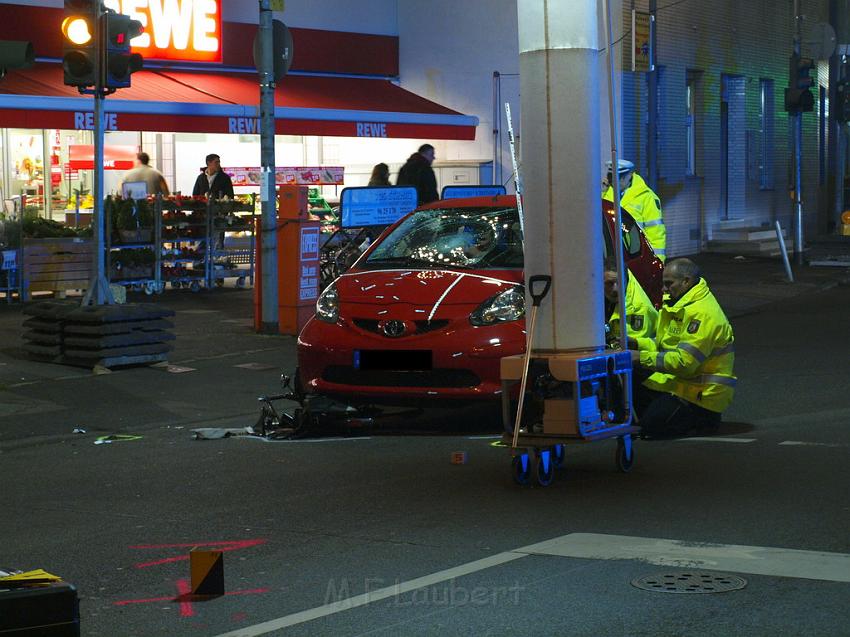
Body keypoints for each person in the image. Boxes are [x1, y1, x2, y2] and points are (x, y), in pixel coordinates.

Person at [628, 258, 736, 438]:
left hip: (702, 395)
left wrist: (640, 357)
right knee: (631, 379)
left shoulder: (703, 315)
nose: (664, 289)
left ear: (686, 281)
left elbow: (684, 363)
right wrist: (637, 344)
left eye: (668, 284)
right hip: (682, 383)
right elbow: (666, 345)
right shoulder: (681, 304)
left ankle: (704, 420)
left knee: (650, 428)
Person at [603, 159, 666, 261]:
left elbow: (656, 233)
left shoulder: (646, 197)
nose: (617, 182)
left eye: (621, 178)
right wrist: (601, 193)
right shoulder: (607, 193)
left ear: (630, 175)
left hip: (636, 257)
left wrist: (657, 262)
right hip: (611, 258)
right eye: (612, 178)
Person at [603, 258, 658, 346]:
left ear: (627, 280)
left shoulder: (640, 309)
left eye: (620, 282)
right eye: (609, 283)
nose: (615, 289)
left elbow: (631, 350)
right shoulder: (596, 299)